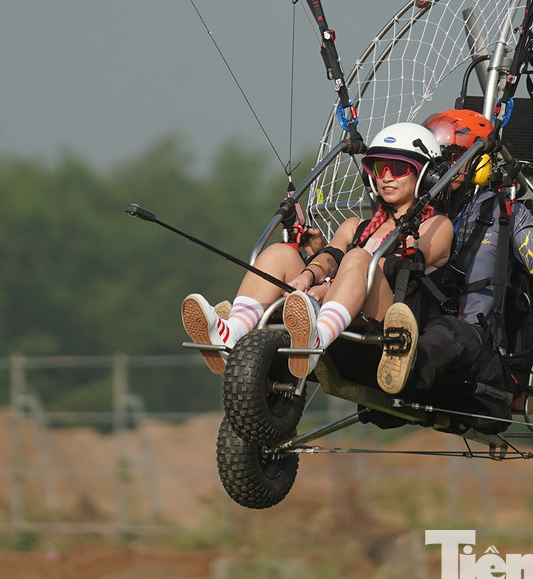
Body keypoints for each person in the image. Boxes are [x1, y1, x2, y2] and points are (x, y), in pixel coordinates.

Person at [181, 123, 453, 385]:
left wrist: (326, 289)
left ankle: (315, 339)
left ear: (425, 176)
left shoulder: (437, 226)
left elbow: (395, 268)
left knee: (359, 259)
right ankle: (230, 333)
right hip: (340, 305)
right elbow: (331, 257)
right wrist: (309, 275)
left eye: (398, 168)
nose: (386, 177)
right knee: (281, 253)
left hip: (389, 318)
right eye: (379, 168)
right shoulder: (355, 226)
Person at [407, 109, 533, 419]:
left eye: (454, 157)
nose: (444, 167)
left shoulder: (505, 213)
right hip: (417, 328)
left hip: (473, 346)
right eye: (440, 157)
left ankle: (410, 364)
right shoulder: (417, 209)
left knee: (446, 330)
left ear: (479, 164)